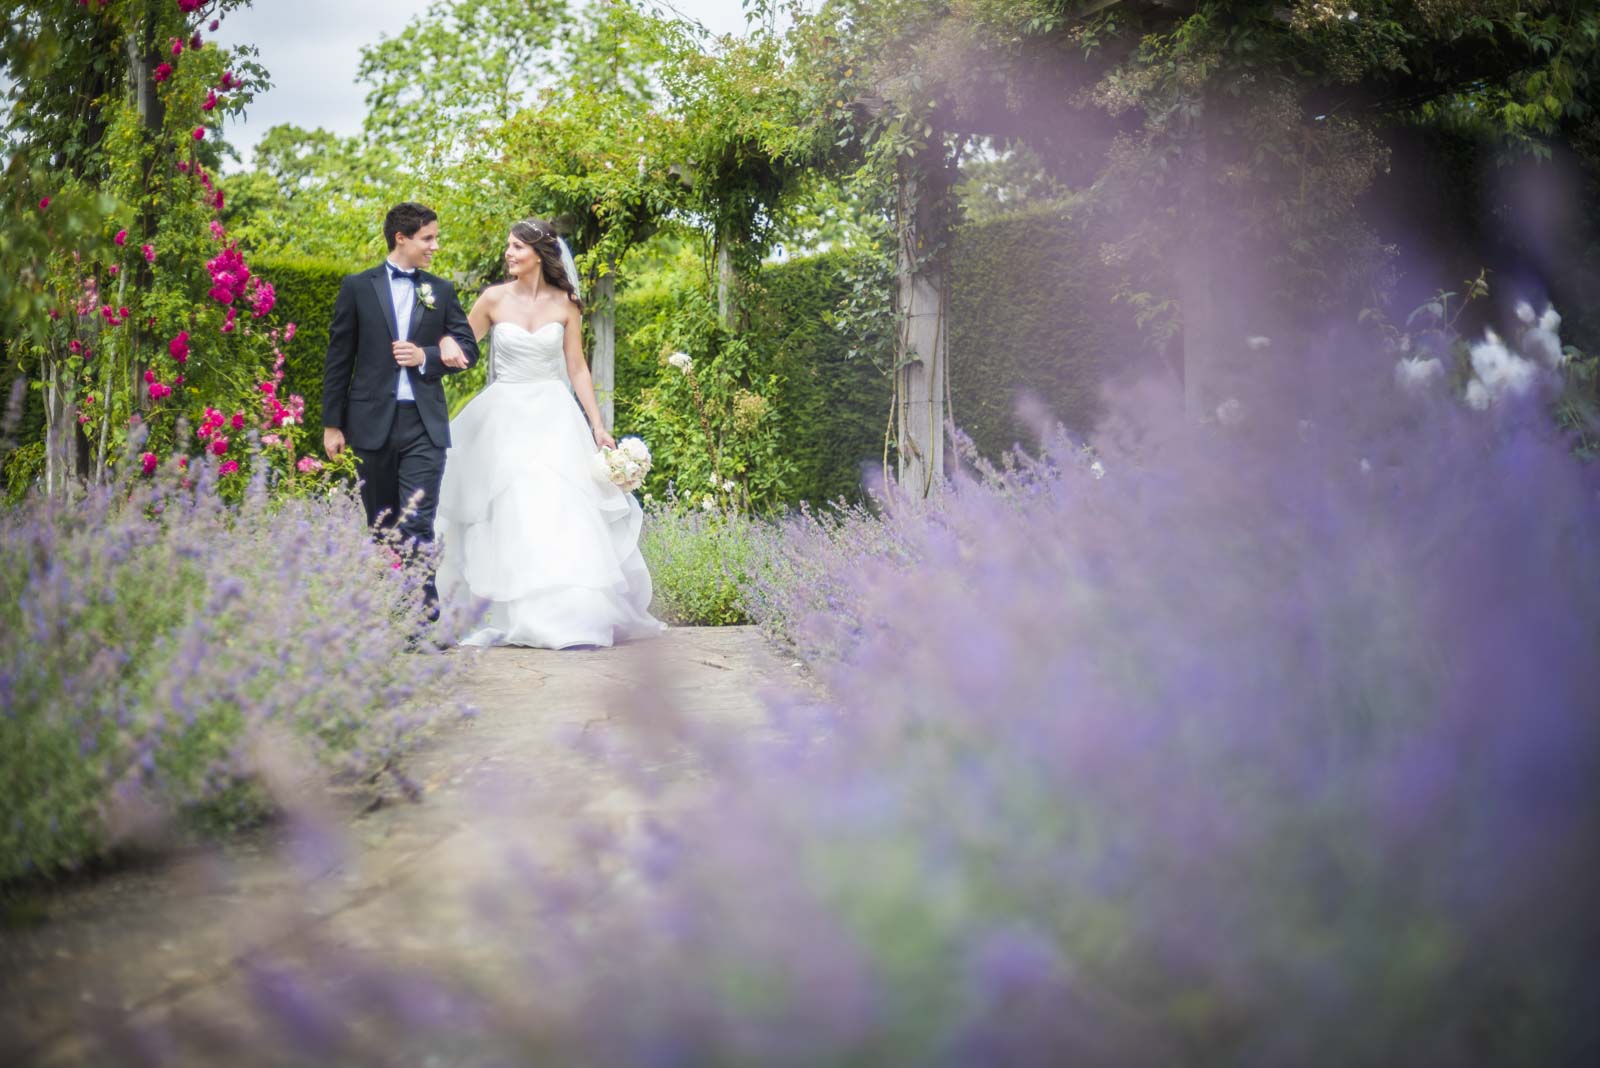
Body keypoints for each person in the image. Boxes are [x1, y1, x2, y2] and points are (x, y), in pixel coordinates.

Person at [432, 218, 663, 649]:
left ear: (539, 253)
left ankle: (568, 615)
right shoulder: (492, 299)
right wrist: (443, 346)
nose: (509, 253)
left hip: (555, 415)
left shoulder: (565, 304)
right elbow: (462, 348)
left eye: (517, 247)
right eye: (508, 246)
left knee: (559, 508)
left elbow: (576, 366)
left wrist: (597, 424)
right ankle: (505, 612)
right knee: (508, 505)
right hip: (504, 415)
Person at [321, 202, 479, 614]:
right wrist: (332, 425)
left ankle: (423, 621)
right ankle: (393, 614)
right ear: (401, 238)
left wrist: (427, 354)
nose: (435, 246)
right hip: (370, 425)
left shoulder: (440, 291)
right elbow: (339, 359)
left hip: (424, 426)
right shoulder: (357, 287)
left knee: (417, 523)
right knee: (384, 527)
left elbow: (470, 350)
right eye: (428, 238)